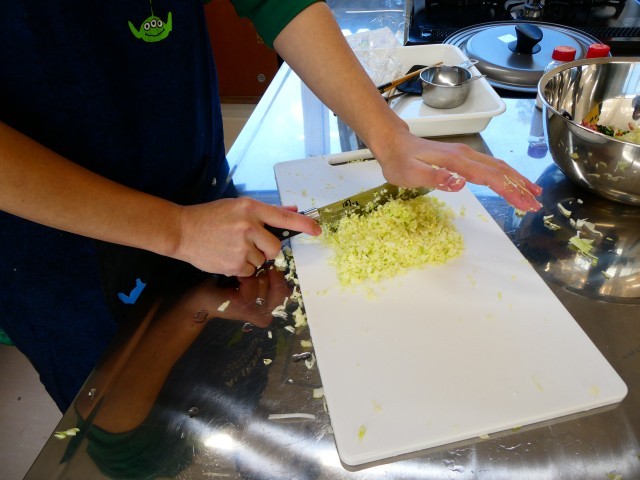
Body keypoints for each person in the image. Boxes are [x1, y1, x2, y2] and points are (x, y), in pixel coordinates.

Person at [0, 1, 542, 412]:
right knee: (129, 439)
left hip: (199, 194)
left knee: (232, 396)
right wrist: (175, 230)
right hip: (61, 243)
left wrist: (387, 133)